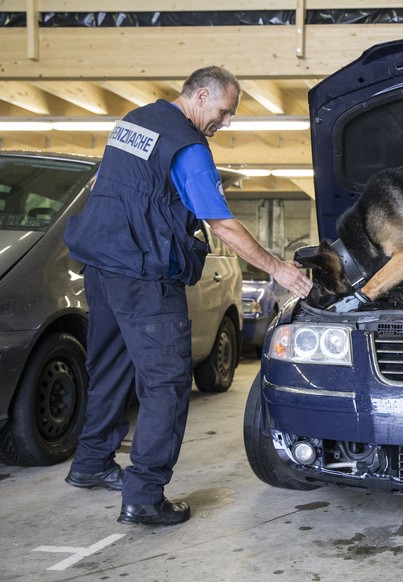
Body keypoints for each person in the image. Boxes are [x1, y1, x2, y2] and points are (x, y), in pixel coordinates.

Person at [62, 66, 312, 526]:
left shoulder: (134, 121)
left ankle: (92, 463)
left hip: (102, 265)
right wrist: (277, 268)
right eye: (225, 111)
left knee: (110, 366)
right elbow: (220, 224)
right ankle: (144, 495)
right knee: (166, 384)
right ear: (200, 96)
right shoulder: (188, 146)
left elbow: (102, 186)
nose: (228, 121)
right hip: (143, 275)